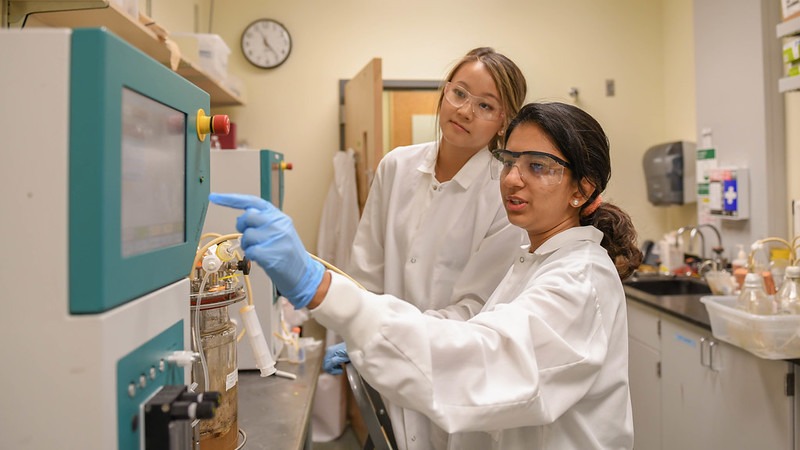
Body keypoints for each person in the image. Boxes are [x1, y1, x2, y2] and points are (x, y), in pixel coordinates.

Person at [209, 101, 643, 449]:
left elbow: (484, 358)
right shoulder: (534, 260)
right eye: (510, 161)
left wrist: (322, 288)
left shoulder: (579, 280)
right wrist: (365, 335)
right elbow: (474, 328)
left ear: (582, 190)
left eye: (538, 166)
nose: (512, 179)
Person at [336, 47, 527, 447]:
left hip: (453, 379)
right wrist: (357, 323)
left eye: (486, 105)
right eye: (459, 94)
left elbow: (477, 306)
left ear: (503, 122)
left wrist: (391, 334)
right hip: (386, 377)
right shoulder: (396, 167)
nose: (465, 111)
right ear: (444, 93)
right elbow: (366, 270)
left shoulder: (504, 192)